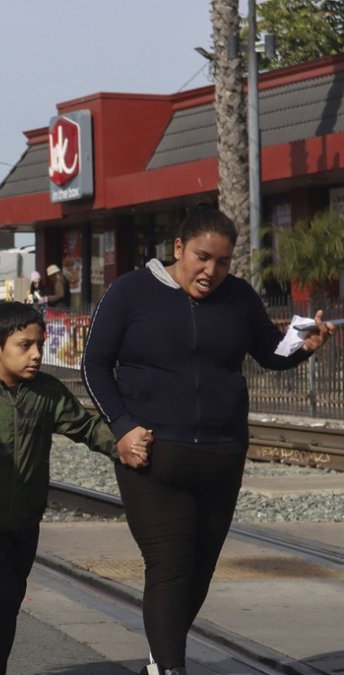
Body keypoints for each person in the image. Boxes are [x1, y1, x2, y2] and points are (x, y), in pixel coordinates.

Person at [81, 205, 336, 675]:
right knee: (170, 564)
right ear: (179, 247)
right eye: (202, 257)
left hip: (222, 456)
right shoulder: (130, 291)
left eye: (222, 262)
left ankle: (160, 658)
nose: (211, 271)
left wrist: (304, 346)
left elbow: (270, 352)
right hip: (153, 458)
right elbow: (94, 364)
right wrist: (122, 426)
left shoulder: (238, 297)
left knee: (198, 571)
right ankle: (169, 668)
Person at [0, 301, 124, 675]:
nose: (36, 354)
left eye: (40, 345)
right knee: (1, 598)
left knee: (9, 598)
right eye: (25, 345)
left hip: (26, 521)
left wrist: (124, 446)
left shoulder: (48, 392)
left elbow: (86, 428)